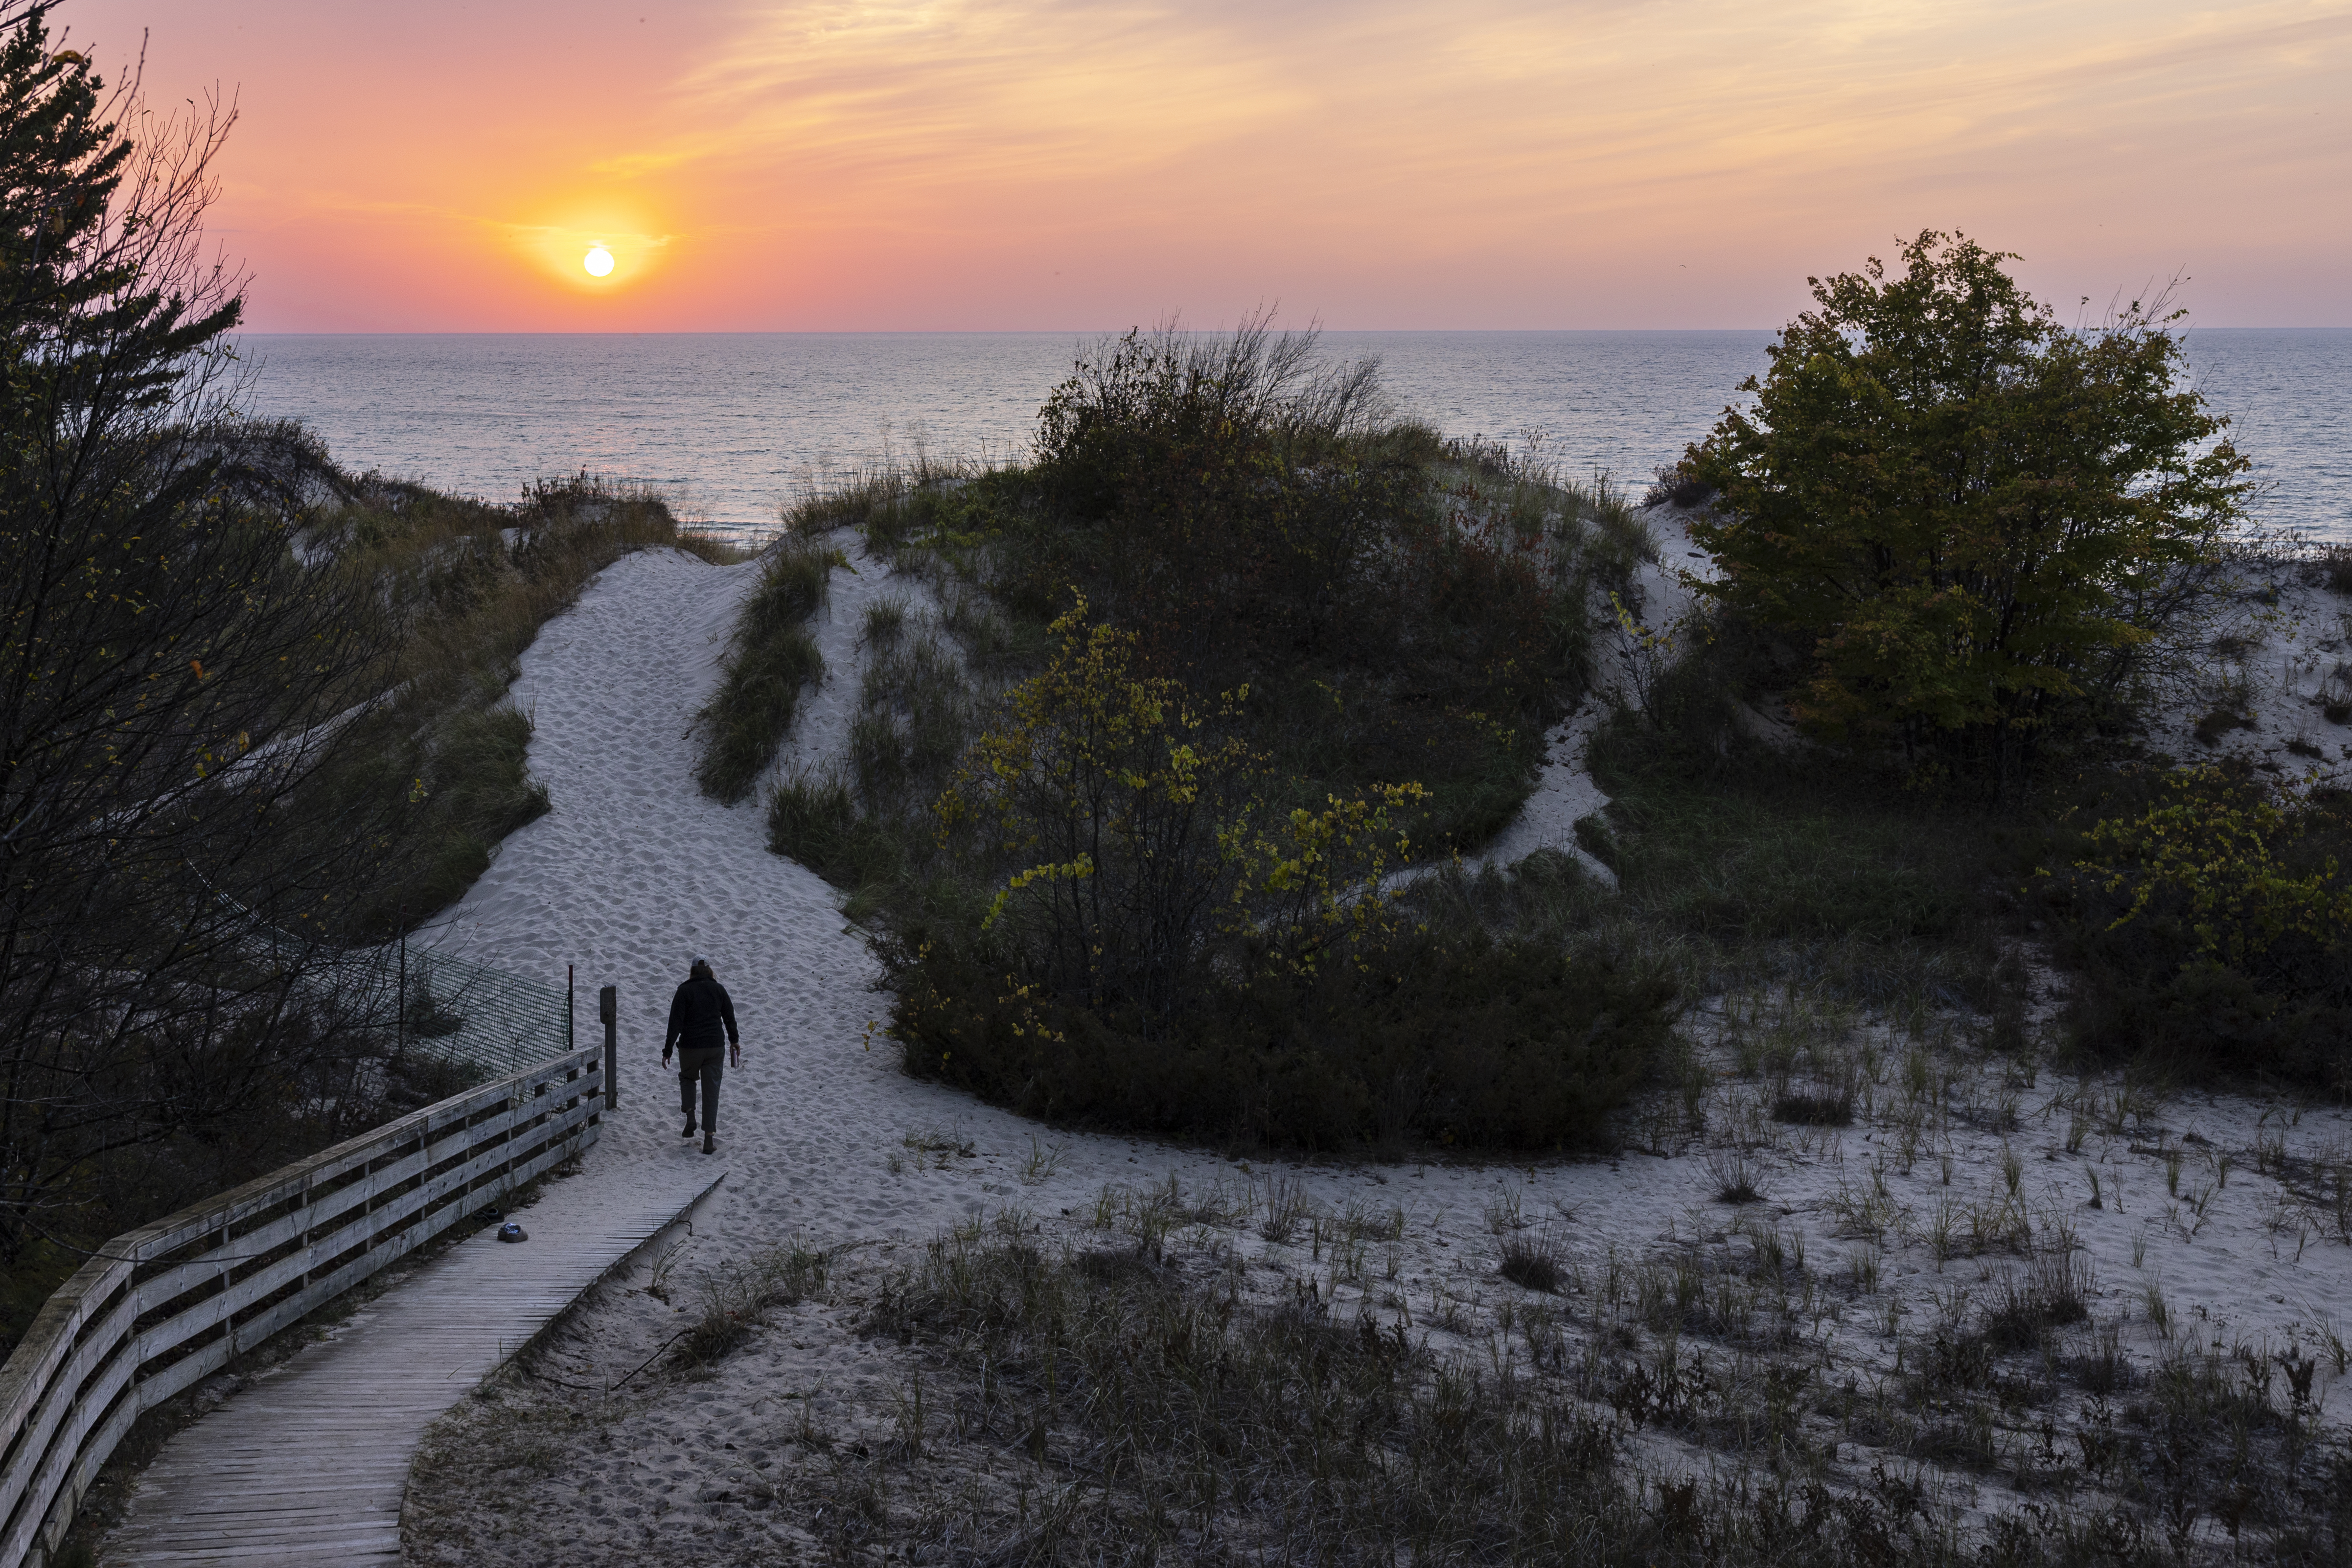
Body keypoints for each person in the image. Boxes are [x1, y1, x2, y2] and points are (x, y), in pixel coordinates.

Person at [663, 955, 739, 1154]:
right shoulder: (719, 989)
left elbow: (675, 1023)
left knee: (688, 1078)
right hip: (715, 1046)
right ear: (710, 971)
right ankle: (708, 1140)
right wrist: (734, 1041)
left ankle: (690, 1116)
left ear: (692, 971)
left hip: (690, 1047)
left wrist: (668, 1050)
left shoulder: (684, 991)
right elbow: (730, 1017)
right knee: (711, 1091)